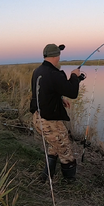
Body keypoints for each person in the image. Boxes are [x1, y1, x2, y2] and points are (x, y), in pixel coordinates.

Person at [30, 43, 84, 182]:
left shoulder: (38, 71)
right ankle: (69, 182)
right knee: (65, 150)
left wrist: (60, 98)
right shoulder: (55, 74)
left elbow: (46, 91)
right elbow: (73, 92)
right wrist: (74, 76)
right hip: (49, 121)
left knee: (54, 145)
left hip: (38, 118)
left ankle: (46, 176)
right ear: (56, 56)